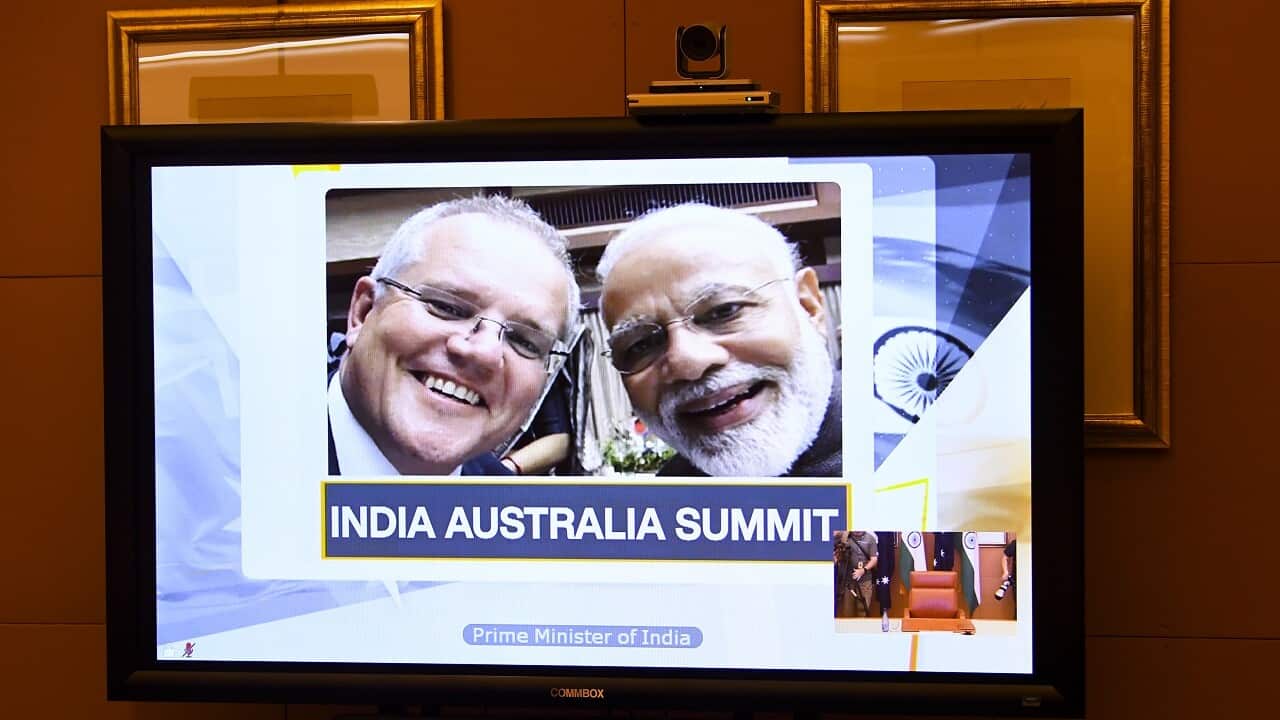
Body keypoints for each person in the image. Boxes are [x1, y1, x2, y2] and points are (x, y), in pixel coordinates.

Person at [329, 195, 580, 476]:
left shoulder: (516, 512)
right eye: (446, 307)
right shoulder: (273, 442)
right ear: (363, 312)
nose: (484, 352)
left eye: (524, 341)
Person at [596, 203, 840, 477]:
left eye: (724, 311)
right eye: (640, 345)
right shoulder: (665, 500)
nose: (687, 362)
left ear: (808, 306)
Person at [845, 530, 878, 617]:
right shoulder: (846, 537)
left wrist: (863, 570)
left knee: (863, 612)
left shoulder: (870, 538)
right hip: (849, 582)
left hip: (865, 581)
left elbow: (874, 559)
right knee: (848, 613)